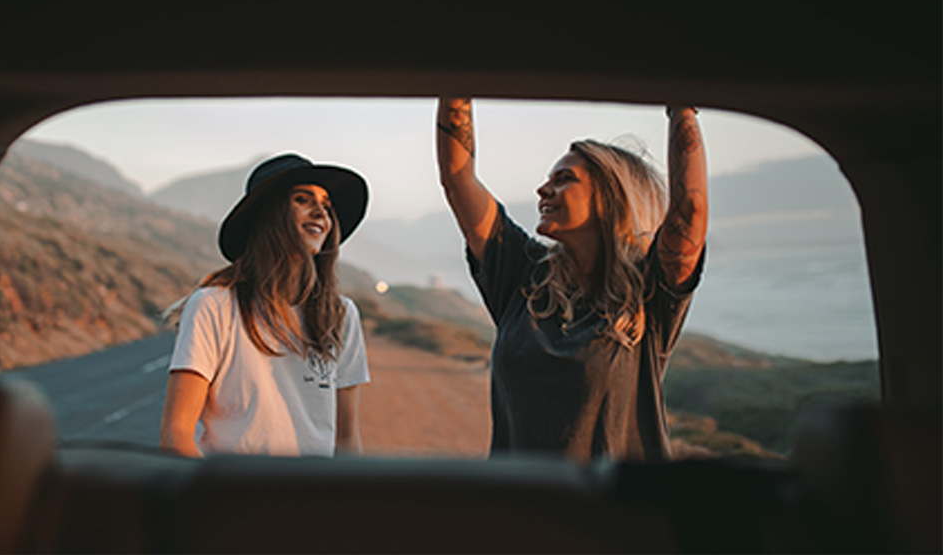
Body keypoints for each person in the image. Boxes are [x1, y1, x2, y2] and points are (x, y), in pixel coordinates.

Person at [435, 97, 708, 462]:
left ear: (609, 198)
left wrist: (681, 107)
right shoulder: (522, 273)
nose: (542, 190)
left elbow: (689, 209)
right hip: (516, 509)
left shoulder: (647, 291)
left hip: (618, 514)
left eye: (563, 180)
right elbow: (458, 178)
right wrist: (456, 80)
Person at [160, 153, 370, 458]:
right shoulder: (214, 305)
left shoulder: (340, 315)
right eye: (302, 199)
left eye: (326, 205)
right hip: (234, 497)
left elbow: (347, 440)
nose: (320, 213)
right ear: (268, 215)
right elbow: (176, 433)